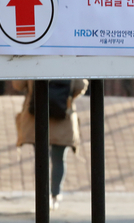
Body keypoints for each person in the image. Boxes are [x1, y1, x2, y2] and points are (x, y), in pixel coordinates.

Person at [13, 79, 88, 210]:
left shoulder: (34, 61)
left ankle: (43, 196)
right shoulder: (67, 62)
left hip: (36, 119)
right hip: (63, 117)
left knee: (41, 160)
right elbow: (81, 85)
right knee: (59, 160)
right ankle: (55, 195)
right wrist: (67, 96)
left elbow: (18, 84)